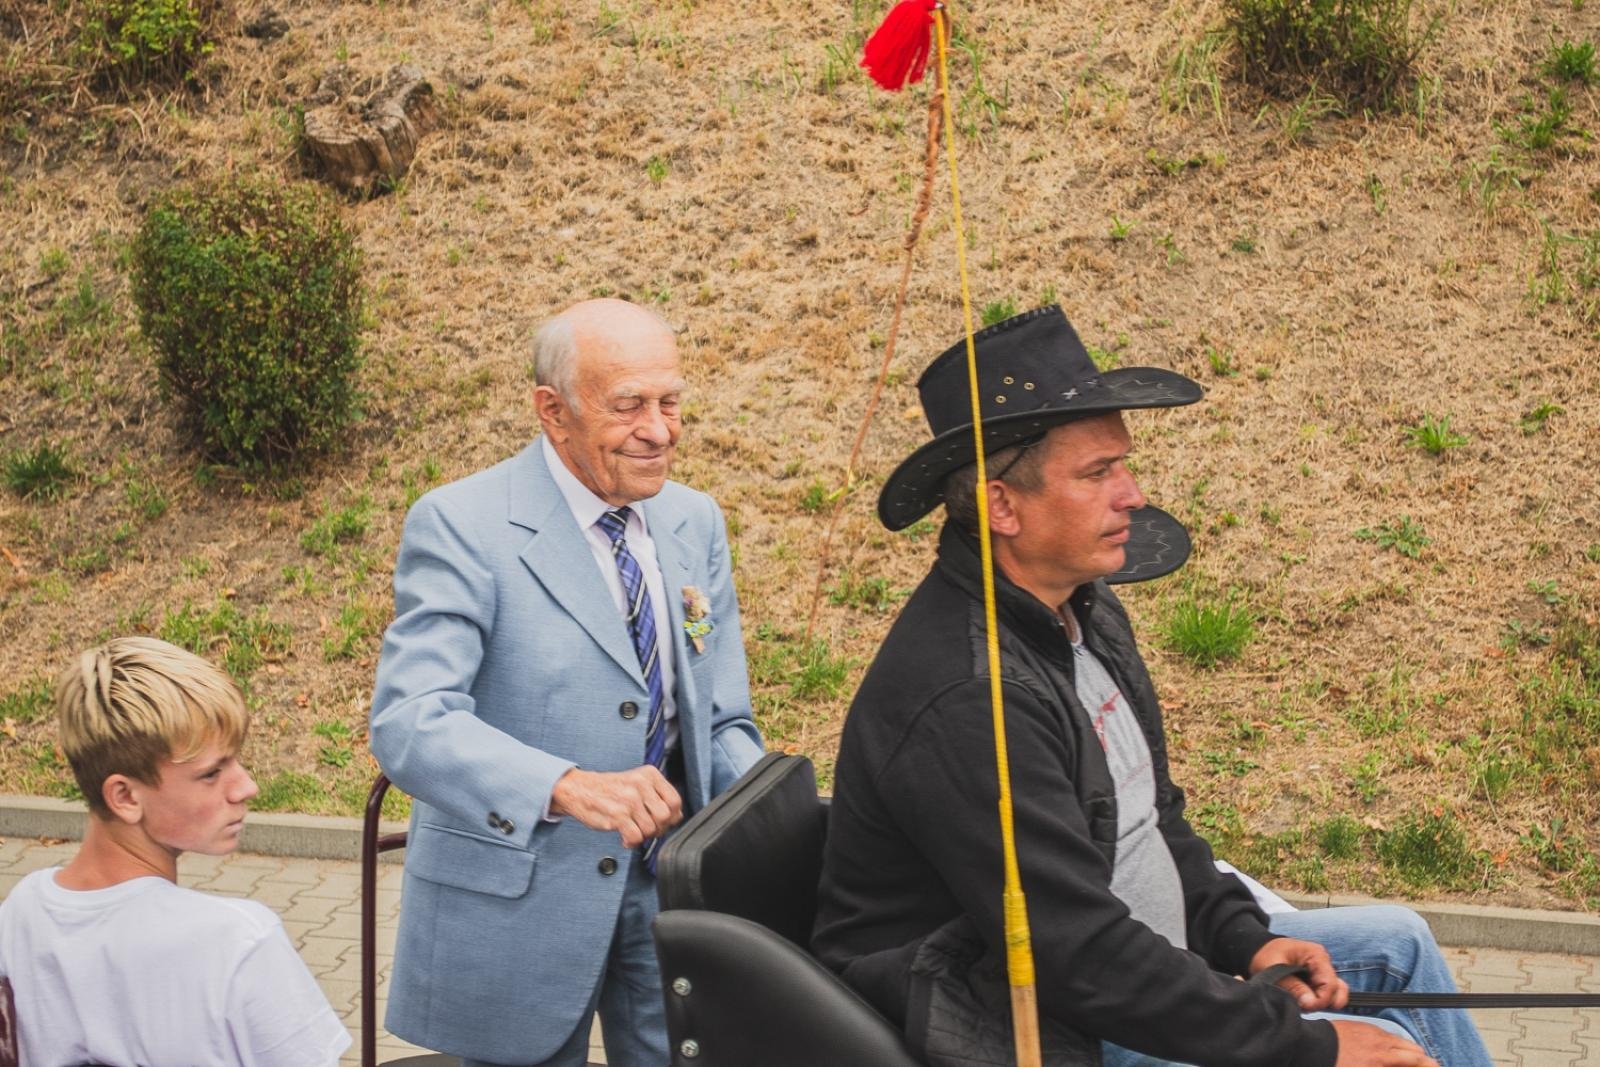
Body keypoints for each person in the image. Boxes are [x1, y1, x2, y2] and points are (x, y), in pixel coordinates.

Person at [812, 306, 1491, 1067]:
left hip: (1138, 967)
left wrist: (1244, 938)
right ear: (1003, 505)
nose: (1132, 494)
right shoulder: (970, 697)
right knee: (1386, 1050)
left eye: (1123, 465)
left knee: (1398, 942)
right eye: (1097, 472)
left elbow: (1153, 816)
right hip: (1022, 1013)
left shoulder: (1083, 611)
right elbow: (1079, 955)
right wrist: (1308, 1044)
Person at [369, 297, 765, 1067]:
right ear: (553, 411)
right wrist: (565, 784)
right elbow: (410, 720)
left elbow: (720, 720)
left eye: (671, 401)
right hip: (522, 900)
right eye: (629, 405)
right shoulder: (462, 524)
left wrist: (778, 819)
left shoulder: (694, 520)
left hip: (668, 895)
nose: (660, 430)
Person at [0, 637, 349, 1067]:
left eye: (235, 761)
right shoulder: (238, 941)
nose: (246, 786)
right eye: (211, 773)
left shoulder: (22, 912)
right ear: (125, 797)